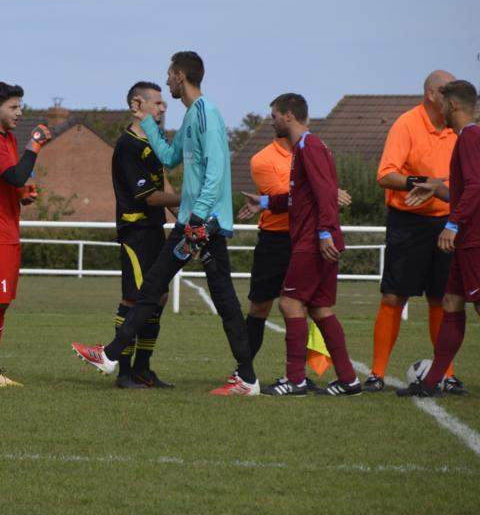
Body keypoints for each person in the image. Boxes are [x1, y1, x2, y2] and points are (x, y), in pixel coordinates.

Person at [73, 51, 259, 395]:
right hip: (194, 221)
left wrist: (199, 217)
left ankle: (246, 378)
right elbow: (171, 157)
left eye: (169, 76)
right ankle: (112, 355)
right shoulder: (191, 117)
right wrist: (146, 123)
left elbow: (217, 170)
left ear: (179, 75)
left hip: (202, 224)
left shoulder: (208, 114)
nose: (167, 84)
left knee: (213, 297)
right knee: (163, 288)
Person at [240, 94, 361, 396]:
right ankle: (349, 380)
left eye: (275, 116)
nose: (272, 121)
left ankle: (295, 379)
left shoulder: (310, 147)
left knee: (290, 303)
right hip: (314, 238)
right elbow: (300, 198)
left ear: (289, 115)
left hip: (312, 241)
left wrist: (324, 234)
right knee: (320, 309)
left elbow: (325, 194)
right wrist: (266, 202)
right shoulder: (304, 149)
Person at [367, 70, 461, 393]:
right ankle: (376, 374)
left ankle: (446, 376)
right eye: (447, 91)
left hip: (446, 224)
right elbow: (385, 175)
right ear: (431, 95)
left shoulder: (458, 130)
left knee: (444, 299)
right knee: (394, 296)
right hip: (407, 224)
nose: (453, 98)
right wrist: (417, 183)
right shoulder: (406, 124)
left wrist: (438, 188)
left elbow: (467, 180)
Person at [0, 81, 52, 387]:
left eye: (20, 106)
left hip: (6, 231)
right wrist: (35, 145)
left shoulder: (8, 138)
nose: (19, 112)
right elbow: (16, 173)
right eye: (13, 107)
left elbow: (10, 180)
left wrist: (20, 195)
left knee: (1, 303)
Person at [399, 80, 479, 398]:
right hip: (466, 240)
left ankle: (432, 382)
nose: (439, 110)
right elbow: (464, 191)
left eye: (442, 104)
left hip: (473, 239)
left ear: (453, 106)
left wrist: (453, 225)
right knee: (451, 302)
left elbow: (475, 186)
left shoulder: (470, 137)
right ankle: (432, 383)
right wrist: (437, 187)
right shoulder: (465, 138)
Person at [106, 81, 180, 389]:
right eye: (158, 103)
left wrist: (188, 218)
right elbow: (149, 197)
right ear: (138, 105)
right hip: (135, 232)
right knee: (134, 298)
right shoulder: (127, 146)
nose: (164, 107)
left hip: (154, 231)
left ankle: (143, 369)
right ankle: (123, 372)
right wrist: (192, 198)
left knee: (159, 297)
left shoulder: (155, 139)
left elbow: (164, 185)